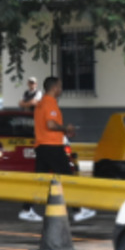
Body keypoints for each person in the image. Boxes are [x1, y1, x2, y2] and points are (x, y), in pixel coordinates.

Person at [18, 76, 96, 223]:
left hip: (41, 146)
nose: (61, 89)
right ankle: (78, 211)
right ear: (54, 88)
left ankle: (26, 209)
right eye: (60, 86)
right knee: (67, 178)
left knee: (39, 180)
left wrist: (65, 131)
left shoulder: (40, 104)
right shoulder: (50, 103)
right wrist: (65, 128)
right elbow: (51, 125)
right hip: (52, 146)